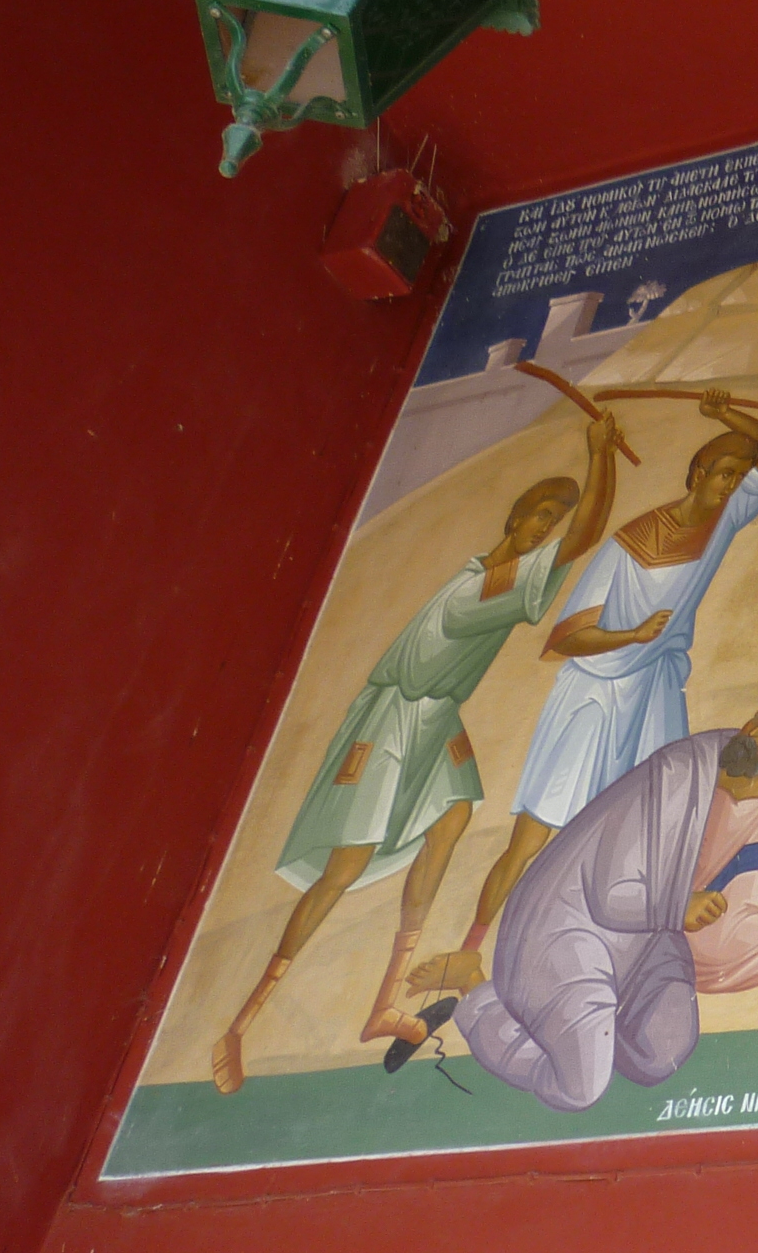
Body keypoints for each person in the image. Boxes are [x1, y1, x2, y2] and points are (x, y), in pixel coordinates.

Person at [209, 412, 624, 1094]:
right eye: (539, 515)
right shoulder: (477, 588)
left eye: (552, 520)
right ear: (516, 517)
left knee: (452, 818)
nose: (546, 527)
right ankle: (243, 1020)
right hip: (394, 720)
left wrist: (596, 466)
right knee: (345, 867)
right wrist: (599, 454)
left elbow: (573, 542)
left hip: (437, 718)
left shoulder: (499, 576)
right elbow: (582, 539)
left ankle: (384, 1004)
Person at [427, 391, 758, 989]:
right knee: (534, 835)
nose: (731, 485)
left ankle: (615, 967)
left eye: (736, 477)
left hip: (654, 694)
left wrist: (726, 415)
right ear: (698, 472)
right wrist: (632, 634)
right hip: (593, 698)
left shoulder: (723, 521)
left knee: (652, 835)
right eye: (723, 473)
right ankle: (470, 949)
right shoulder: (628, 545)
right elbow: (570, 636)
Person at [430, 687, 758, 1112]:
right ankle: (477, 991)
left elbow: (735, 909)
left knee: (662, 1051)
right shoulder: (679, 770)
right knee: (581, 1089)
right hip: (571, 924)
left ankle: (585, 1029)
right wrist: (679, 907)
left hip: (650, 936)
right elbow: (610, 891)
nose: (754, 729)